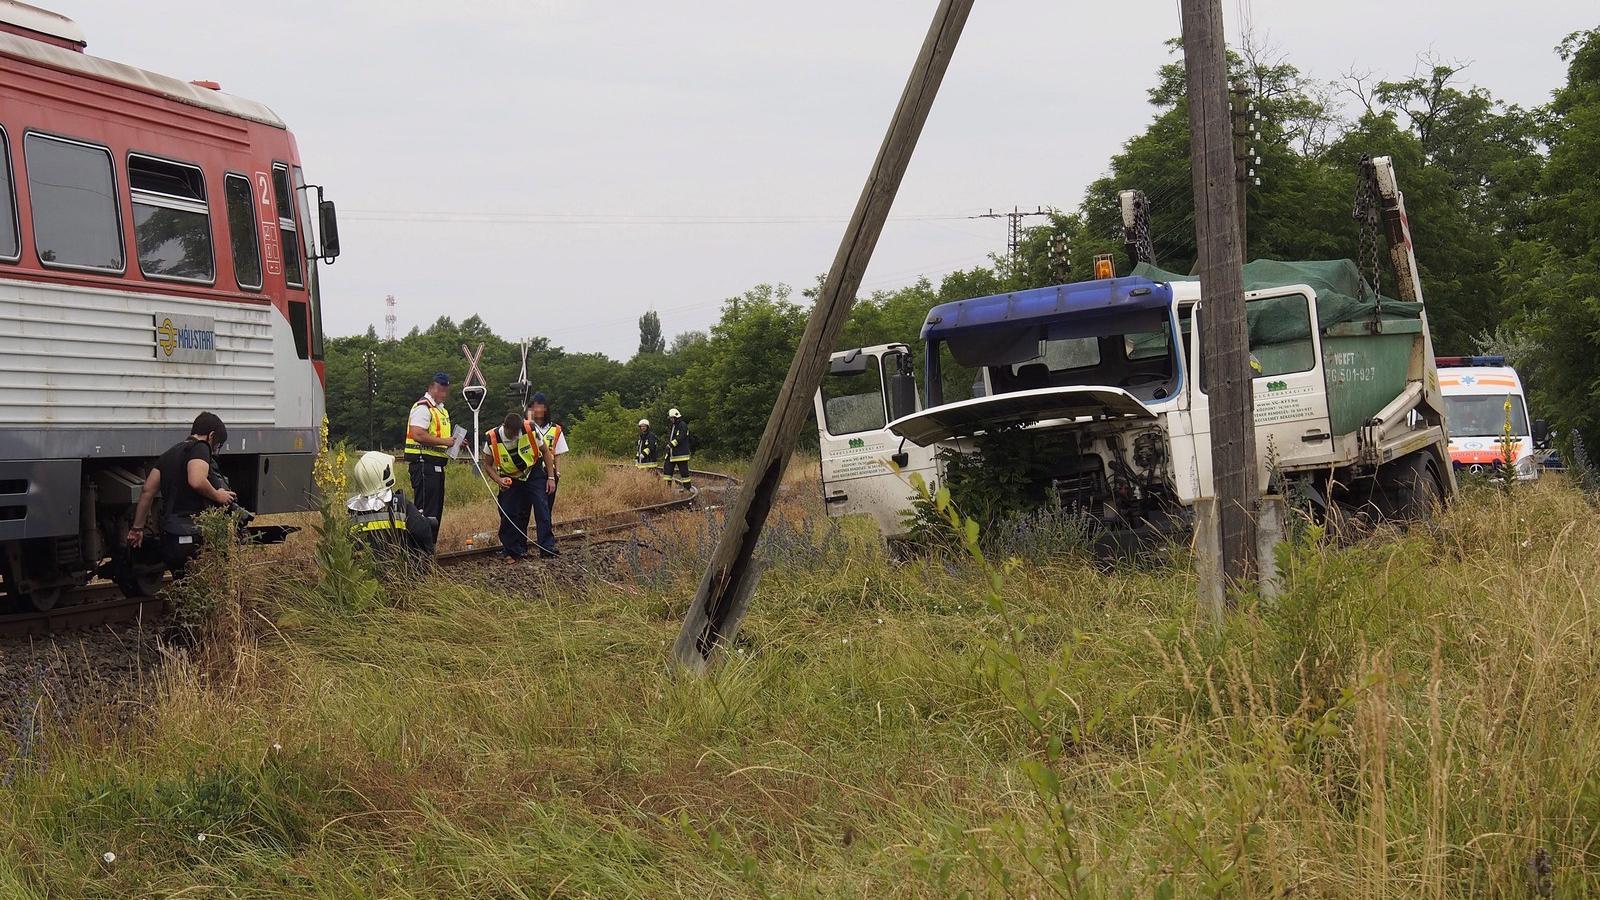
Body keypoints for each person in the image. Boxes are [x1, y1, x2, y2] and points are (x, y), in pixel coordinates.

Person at [126, 412, 237, 576]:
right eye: (217, 445)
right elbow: (196, 480)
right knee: (203, 586)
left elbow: (147, 491)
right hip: (193, 534)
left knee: (182, 586)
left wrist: (137, 529)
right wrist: (217, 494)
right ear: (211, 435)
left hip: (171, 537)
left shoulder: (169, 454)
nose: (215, 451)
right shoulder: (201, 447)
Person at [482, 411, 557, 561]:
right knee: (509, 513)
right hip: (510, 477)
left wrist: (550, 477)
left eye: (518, 432)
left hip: (533, 472)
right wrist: (499, 480)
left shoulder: (530, 430)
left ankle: (546, 547)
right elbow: (487, 465)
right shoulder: (492, 438)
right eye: (513, 433)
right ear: (505, 427)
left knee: (542, 507)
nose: (516, 436)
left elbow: (546, 453)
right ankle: (512, 549)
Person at [347, 451, 436, 561]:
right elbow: (421, 530)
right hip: (401, 570)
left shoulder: (353, 511)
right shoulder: (400, 504)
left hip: (365, 573)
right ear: (386, 474)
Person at [405, 372, 454, 528]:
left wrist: (453, 442)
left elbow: (438, 436)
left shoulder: (440, 410)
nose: (443, 394)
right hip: (424, 465)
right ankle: (421, 550)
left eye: (445, 390)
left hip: (435, 465)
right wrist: (444, 442)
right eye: (440, 389)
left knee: (435, 511)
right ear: (431, 387)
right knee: (426, 511)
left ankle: (429, 546)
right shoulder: (423, 407)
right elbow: (417, 434)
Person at [526, 392, 569, 516]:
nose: (538, 410)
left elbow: (557, 453)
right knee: (525, 507)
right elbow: (526, 421)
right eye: (534, 406)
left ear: (546, 409)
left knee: (545, 509)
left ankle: (546, 530)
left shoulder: (555, 429)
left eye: (541, 406)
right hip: (530, 470)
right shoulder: (527, 427)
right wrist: (529, 416)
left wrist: (557, 473)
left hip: (548, 471)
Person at [662, 407, 693, 491]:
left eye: (672, 418)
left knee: (684, 472)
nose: (671, 420)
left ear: (676, 417)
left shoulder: (682, 425)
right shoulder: (673, 426)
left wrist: (671, 445)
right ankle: (666, 488)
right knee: (667, 471)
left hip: (680, 454)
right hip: (672, 454)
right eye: (670, 418)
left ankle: (687, 488)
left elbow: (681, 437)